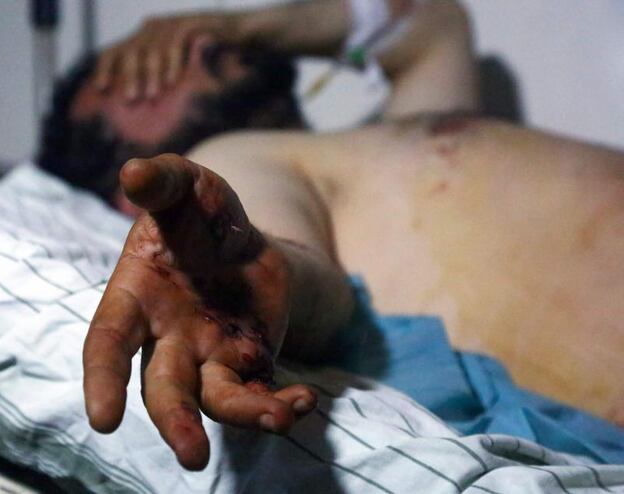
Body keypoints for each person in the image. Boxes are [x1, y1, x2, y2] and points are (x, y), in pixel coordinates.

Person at [72, 0, 624, 471]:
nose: (165, 54)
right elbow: (281, 260)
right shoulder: (235, 160)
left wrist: (229, 27)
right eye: (136, 75)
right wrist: (251, 271)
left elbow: (433, 23)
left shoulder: (370, 144)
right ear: (126, 190)